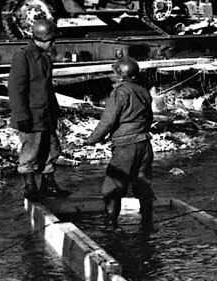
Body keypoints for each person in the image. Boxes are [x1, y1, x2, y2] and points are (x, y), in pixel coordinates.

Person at [84, 57, 154, 229]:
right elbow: (149, 118)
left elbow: (108, 121)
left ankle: (110, 226)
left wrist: (92, 140)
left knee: (113, 188)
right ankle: (147, 224)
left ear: (121, 75)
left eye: (114, 72)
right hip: (144, 144)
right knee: (143, 186)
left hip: (126, 147)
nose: (112, 75)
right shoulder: (143, 91)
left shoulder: (120, 92)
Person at [8, 18, 70, 201]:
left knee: (51, 149)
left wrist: (55, 110)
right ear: (45, 39)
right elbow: (16, 89)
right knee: (31, 152)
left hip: (46, 114)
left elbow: (46, 88)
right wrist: (21, 116)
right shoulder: (24, 56)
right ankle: (30, 187)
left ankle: (48, 185)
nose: (53, 44)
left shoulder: (43, 56)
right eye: (52, 40)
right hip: (31, 115)